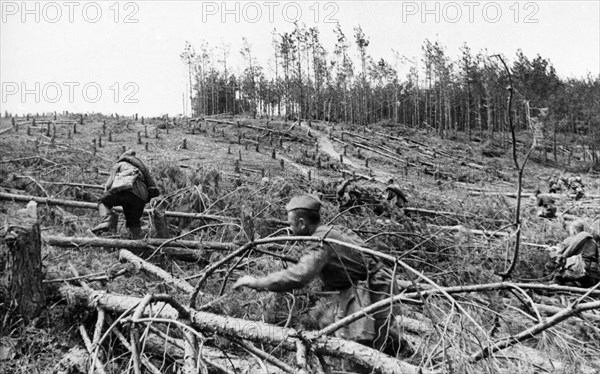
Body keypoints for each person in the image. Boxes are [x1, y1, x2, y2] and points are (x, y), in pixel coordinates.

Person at [233, 194, 407, 356]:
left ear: (302, 223)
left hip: (375, 291)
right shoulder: (332, 231)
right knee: (325, 320)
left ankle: (400, 352)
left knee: (365, 352)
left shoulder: (321, 243)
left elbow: (300, 276)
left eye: (290, 225)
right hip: (361, 288)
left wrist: (257, 282)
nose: (289, 229)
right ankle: (402, 348)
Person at [91, 149, 160, 238]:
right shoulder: (142, 168)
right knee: (133, 223)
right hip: (141, 197)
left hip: (126, 190)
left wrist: (107, 195)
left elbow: (109, 184)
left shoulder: (120, 164)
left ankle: (107, 221)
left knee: (102, 200)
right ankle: (136, 244)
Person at [547, 220, 600, 287]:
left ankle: (559, 282)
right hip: (592, 277)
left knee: (557, 274)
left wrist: (551, 250)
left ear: (574, 230)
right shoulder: (593, 241)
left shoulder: (571, 239)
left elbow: (559, 253)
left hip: (577, 272)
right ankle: (575, 283)